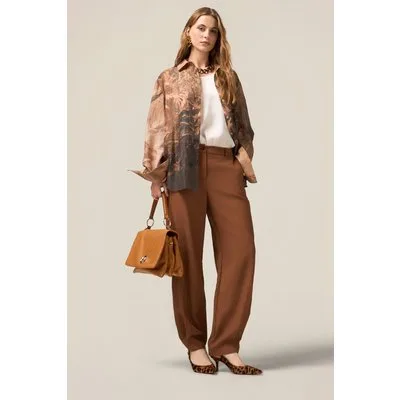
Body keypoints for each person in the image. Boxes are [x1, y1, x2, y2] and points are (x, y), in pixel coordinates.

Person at [131, 7, 262, 375]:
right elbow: (157, 129)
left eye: (213, 31)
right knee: (186, 257)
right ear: (188, 32)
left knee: (241, 252)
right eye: (201, 28)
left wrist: (241, 161)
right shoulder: (170, 78)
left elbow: (245, 128)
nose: (207, 35)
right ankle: (195, 343)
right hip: (182, 167)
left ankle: (226, 345)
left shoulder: (228, 78)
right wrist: (156, 174)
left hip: (224, 166)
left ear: (219, 38)